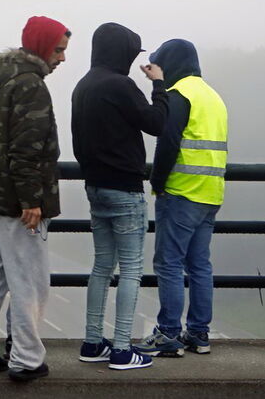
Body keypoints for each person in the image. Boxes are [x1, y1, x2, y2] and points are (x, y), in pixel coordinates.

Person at [0, 16, 70, 382]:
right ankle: (26, 358)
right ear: (42, 46)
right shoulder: (30, 86)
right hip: (18, 204)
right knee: (29, 280)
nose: (61, 58)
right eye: (58, 49)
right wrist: (32, 200)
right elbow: (26, 150)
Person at [71, 22, 167, 371]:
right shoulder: (120, 85)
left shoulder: (83, 85)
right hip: (125, 189)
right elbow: (156, 123)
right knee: (130, 271)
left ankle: (93, 342)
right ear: (123, 52)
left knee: (101, 267)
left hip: (94, 187)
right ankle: (124, 350)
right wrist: (158, 84)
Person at [136, 39, 228, 357]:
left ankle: (169, 334)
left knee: (169, 264)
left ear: (171, 63)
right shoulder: (213, 97)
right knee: (200, 265)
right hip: (210, 193)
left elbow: (168, 140)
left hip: (181, 191)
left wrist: (157, 183)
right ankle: (199, 334)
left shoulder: (179, 95)